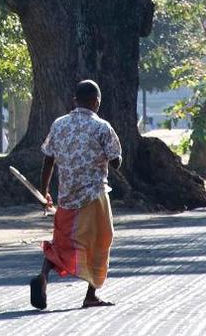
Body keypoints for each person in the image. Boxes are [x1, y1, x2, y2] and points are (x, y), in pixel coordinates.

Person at [31, 79, 122, 311]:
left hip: (66, 197)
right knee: (101, 241)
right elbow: (116, 162)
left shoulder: (59, 124)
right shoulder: (102, 127)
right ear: (97, 102)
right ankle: (91, 294)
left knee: (62, 242)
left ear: (75, 100)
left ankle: (43, 275)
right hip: (94, 195)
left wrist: (44, 190)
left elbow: (48, 160)